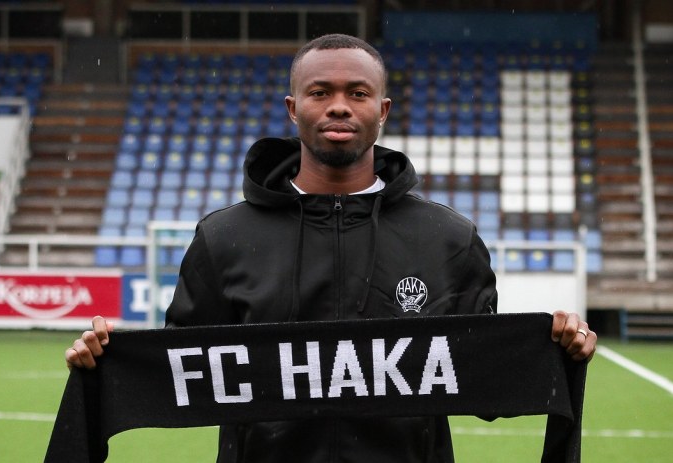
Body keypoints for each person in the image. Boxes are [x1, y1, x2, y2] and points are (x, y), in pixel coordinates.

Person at [66, 34, 597, 462]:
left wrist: (557, 351)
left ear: (382, 109)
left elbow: (485, 379)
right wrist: (107, 364)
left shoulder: (448, 238)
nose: (339, 106)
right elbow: (182, 371)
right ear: (293, 108)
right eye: (320, 92)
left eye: (357, 93)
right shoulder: (224, 237)